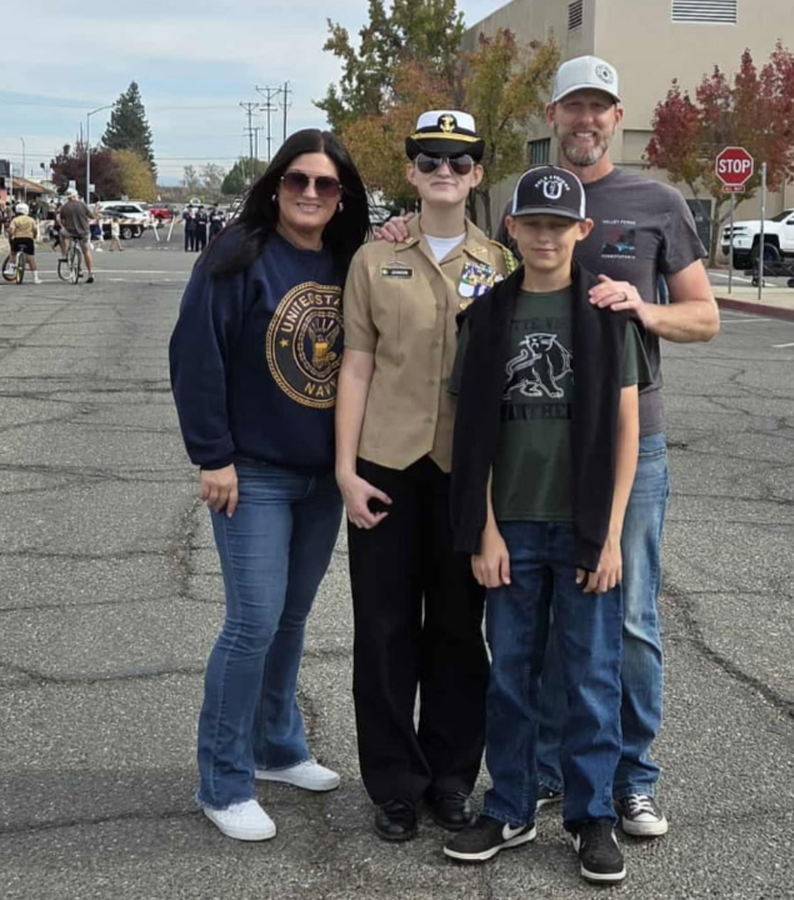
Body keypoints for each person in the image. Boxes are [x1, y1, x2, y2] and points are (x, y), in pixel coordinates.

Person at [377, 58, 718, 839]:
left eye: (599, 107)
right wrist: (398, 228)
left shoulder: (658, 203)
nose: (585, 119)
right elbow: (476, 281)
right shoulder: (520, 209)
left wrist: (642, 310)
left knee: (624, 625)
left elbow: (704, 317)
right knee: (537, 644)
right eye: (573, 106)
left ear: (618, 116)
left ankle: (629, 782)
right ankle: (543, 780)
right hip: (529, 462)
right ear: (553, 115)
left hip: (629, 441)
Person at [443, 164, 647, 883]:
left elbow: (627, 430)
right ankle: (511, 806)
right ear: (512, 229)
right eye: (533, 224)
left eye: (559, 226)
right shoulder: (488, 316)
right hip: (514, 527)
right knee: (511, 676)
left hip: (585, 524)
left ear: (581, 230)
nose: (546, 237)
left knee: (591, 677)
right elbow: (473, 432)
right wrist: (485, 528)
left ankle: (592, 815)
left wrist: (612, 532)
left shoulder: (605, 314)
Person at [168, 128, 370, 842]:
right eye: (297, 179)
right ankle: (222, 781)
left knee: (290, 618)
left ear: (342, 195)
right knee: (252, 621)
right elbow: (196, 353)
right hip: (251, 472)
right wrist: (213, 455)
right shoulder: (237, 255)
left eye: (325, 183)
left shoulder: (349, 261)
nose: (310, 193)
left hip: (323, 476)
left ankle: (276, 747)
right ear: (276, 184)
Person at [336, 110, 514, 843]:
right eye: (431, 159)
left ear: (477, 175)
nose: (446, 171)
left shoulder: (500, 264)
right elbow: (356, 367)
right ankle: (394, 786)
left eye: (460, 161)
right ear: (410, 171)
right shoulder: (374, 260)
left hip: (464, 473)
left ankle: (450, 779)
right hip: (385, 467)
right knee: (383, 632)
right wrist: (344, 471)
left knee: (457, 632)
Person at [57, 188, 95, 284]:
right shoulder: (82, 205)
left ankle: (64, 254)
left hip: (70, 231)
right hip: (84, 232)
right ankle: (90, 273)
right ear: (76, 195)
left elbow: (62, 221)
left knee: (61, 233)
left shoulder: (64, 207)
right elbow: (92, 216)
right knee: (86, 251)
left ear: (67, 197)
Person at [4, 202, 42, 284]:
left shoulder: (15, 220)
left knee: (13, 253)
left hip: (18, 239)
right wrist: (35, 236)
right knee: (31, 259)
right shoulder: (31, 220)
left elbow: (12, 230)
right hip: (28, 240)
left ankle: (11, 269)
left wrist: (11, 236)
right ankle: (35, 278)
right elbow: (35, 230)